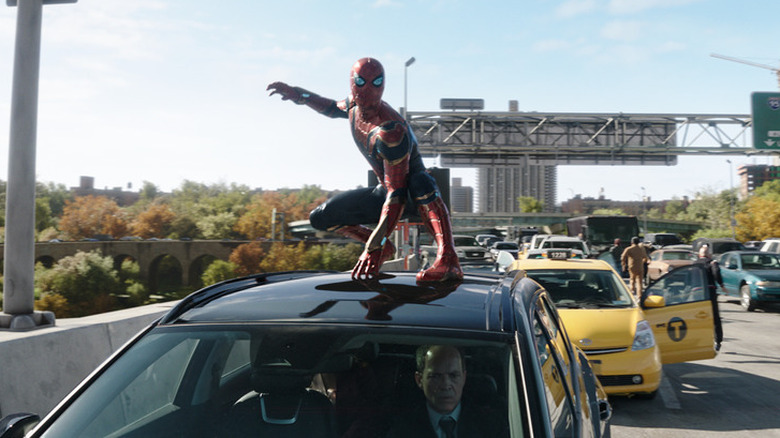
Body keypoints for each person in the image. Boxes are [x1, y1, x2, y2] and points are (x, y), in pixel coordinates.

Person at [267, 58, 462, 283]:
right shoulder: (351, 106)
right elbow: (330, 107)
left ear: (383, 85)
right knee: (320, 217)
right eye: (361, 82)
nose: (368, 89)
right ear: (352, 83)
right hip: (387, 191)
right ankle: (386, 248)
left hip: (412, 197)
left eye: (376, 82)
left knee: (421, 181)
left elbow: (397, 194)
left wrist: (374, 243)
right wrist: (299, 95)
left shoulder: (390, 132)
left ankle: (448, 257)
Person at [386, 345, 507, 438]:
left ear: (464, 378)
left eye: (453, 376)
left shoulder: (491, 426)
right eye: (435, 376)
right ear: (419, 380)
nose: (445, 385)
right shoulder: (400, 429)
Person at [694, 244, 724, 351]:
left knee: (698, 316)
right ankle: (718, 340)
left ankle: (698, 340)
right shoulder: (712, 263)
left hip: (697, 293)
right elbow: (716, 274)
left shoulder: (694, 264)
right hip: (710, 292)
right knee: (715, 316)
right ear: (709, 255)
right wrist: (722, 285)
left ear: (699, 255)